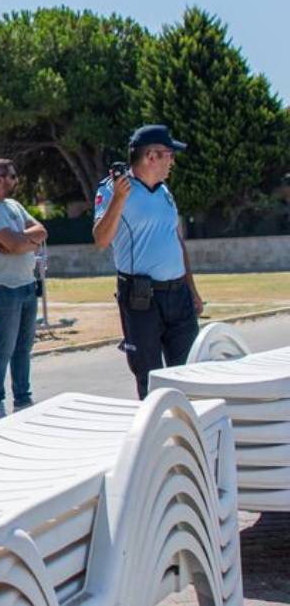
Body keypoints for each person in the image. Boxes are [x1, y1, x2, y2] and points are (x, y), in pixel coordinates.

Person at [93, 124, 203, 399]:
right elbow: (101, 239)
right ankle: (155, 435)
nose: (172, 161)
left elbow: (176, 241)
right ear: (151, 156)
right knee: (150, 376)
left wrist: (192, 290)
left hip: (178, 295)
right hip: (142, 298)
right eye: (169, 154)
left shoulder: (165, 192)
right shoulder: (111, 190)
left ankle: (188, 434)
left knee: (189, 371)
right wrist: (118, 198)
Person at [0, 159, 47, 415]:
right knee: (4, 347)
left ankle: (23, 399)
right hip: (2, 288)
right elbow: (10, 243)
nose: (16, 180)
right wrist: (24, 242)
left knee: (24, 347)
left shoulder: (13, 206)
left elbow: (41, 231)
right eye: (12, 176)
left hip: (26, 284)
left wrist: (26, 244)